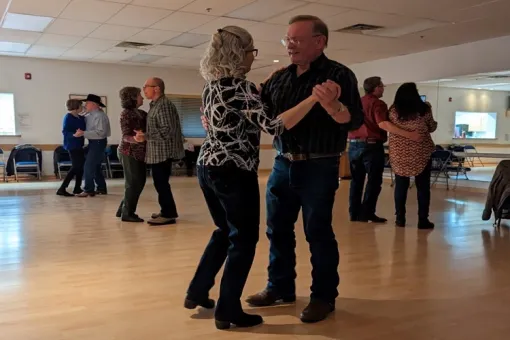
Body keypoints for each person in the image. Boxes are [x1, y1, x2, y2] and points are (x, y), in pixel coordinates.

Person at [202, 15, 363, 323]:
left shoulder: (339, 74)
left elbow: (353, 121)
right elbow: (258, 115)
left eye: (297, 40)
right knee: (277, 230)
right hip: (282, 163)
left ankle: (323, 297)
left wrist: (333, 107)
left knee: (317, 232)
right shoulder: (279, 78)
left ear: (319, 41)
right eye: (287, 40)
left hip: (319, 164)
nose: (290, 46)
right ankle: (280, 287)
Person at [185, 26, 328, 330]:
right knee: (243, 239)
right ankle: (227, 310)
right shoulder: (242, 87)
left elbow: (226, 120)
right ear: (240, 54)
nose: (253, 58)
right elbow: (274, 126)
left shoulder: (211, 86)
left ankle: (197, 290)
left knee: (224, 230)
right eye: (252, 52)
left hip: (207, 166)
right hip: (233, 171)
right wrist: (313, 99)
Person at [348, 77, 422, 223]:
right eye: (382, 86)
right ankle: (367, 213)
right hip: (371, 145)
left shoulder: (356, 102)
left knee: (356, 181)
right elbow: (383, 124)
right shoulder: (377, 103)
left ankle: (354, 213)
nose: (383, 89)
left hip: (353, 145)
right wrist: (409, 134)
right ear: (376, 88)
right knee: (374, 181)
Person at [135, 78, 184, 226]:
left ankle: (169, 214)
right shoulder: (156, 105)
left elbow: (167, 130)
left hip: (164, 152)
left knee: (162, 184)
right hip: (157, 152)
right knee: (160, 184)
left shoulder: (164, 105)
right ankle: (166, 210)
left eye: (146, 87)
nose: (144, 90)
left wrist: (145, 136)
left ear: (156, 88)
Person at [388, 83, 437, 229]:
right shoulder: (424, 109)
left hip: (399, 154)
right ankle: (423, 220)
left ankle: (400, 219)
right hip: (420, 152)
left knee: (400, 186)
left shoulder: (393, 111)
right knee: (423, 188)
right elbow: (431, 127)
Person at [116, 87, 147, 223]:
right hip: (128, 153)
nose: (142, 97)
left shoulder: (141, 113)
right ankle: (127, 213)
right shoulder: (126, 114)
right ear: (133, 97)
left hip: (139, 154)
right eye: (140, 95)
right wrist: (135, 139)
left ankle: (123, 209)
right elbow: (126, 136)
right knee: (133, 183)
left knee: (138, 182)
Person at [75, 94, 111, 197]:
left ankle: (88, 189)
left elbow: (101, 132)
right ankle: (101, 188)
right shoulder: (90, 115)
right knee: (95, 167)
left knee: (88, 166)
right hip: (93, 142)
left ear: (94, 104)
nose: (85, 105)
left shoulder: (100, 116)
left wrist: (83, 133)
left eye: (87, 103)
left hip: (98, 142)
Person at [56, 99, 86, 197]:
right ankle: (62, 188)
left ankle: (77, 188)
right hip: (72, 145)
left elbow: (84, 128)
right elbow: (65, 132)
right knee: (76, 166)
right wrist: (74, 134)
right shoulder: (68, 117)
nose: (82, 107)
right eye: (81, 106)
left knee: (80, 167)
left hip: (80, 144)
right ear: (76, 107)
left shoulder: (81, 118)